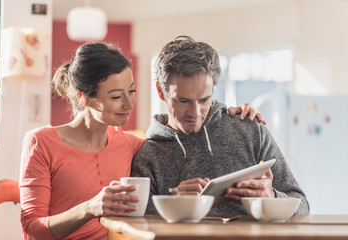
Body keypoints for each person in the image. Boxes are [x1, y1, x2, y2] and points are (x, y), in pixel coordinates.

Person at [19, 42, 261, 240]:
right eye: (116, 96)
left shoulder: (133, 145)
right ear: (84, 98)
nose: (129, 103)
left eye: (131, 91)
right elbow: (33, 228)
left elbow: (151, 203)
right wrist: (89, 208)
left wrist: (231, 114)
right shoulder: (41, 142)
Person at [130, 36, 310, 216]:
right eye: (183, 101)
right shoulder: (147, 155)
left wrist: (272, 197)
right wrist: (173, 203)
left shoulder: (249, 130)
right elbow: (136, 220)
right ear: (161, 91)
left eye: (204, 100)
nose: (195, 112)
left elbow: (302, 206)